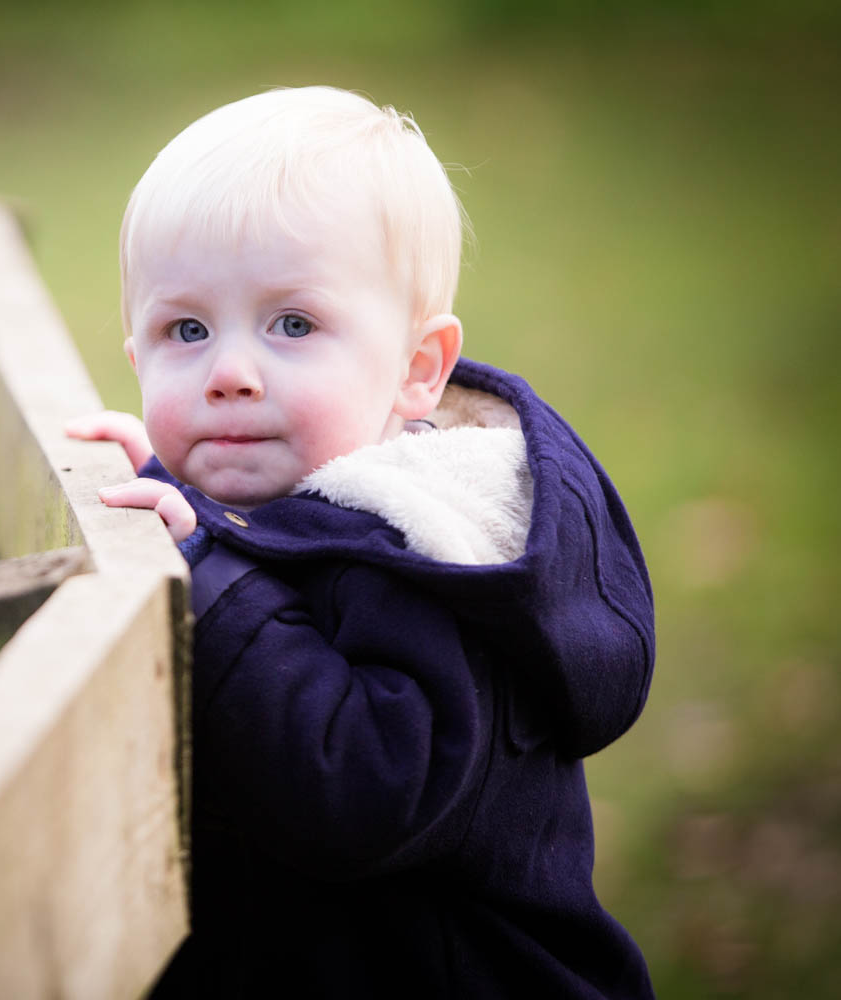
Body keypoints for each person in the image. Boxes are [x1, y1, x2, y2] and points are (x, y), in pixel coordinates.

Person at [66, 86, 656, 997]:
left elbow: (366, 791)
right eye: (186, 329)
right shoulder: (302, 490)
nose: (228, 373)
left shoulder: (424, 556)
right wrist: (179, 492)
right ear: (137, 356)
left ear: (418, 370)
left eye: (293, 324)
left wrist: (213, 581)